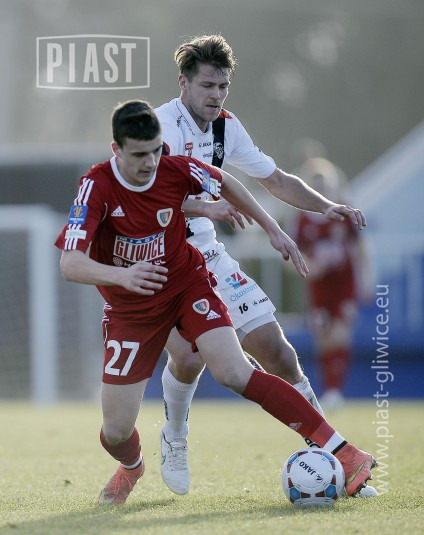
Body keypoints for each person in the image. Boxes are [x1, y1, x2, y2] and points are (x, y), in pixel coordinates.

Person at [55, 100, 376, 505]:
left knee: (234, 371)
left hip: (186, 284)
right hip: (131, 308)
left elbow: (225, 181)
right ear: (116, 149)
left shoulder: (172, 167)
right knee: (115, 431)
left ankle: (344, 452)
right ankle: (133, 467)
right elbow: (70, 264)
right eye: (139, 155)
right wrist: (124, 275)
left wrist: (270, 227)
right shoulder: (96, 186)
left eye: (156, 151)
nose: (151, 163)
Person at [154, 34, 377, 497]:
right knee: (189, 358)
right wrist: (208, 208)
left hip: (207, 254)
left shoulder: (226, 127)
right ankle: (174, 435)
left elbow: (275, 179)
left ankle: (336, 457)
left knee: (278, 352)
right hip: (159, 257)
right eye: (207, 85)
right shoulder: (161, 127)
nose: (216, 95)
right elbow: (150, 199)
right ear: (184, 83)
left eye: (223, 86)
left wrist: (326, 206)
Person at [292, 157, 373, 410]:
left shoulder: (344, 210)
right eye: (315, 184)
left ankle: (335, 391)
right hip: (319, 286)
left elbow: (360, 247)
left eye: (324, 183)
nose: (321, 188)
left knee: (341, 334)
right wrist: (308, 267)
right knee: (323, 338)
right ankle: (328, 390)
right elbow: (291, 253)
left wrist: (366, 279)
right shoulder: (302, 218)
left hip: (344, 283)